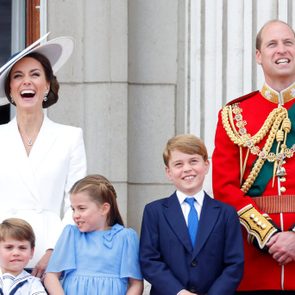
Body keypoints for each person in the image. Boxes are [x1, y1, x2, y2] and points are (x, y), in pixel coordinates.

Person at [212, 19, 295, 294]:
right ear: (259, 56)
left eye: (288, 43)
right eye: (272, 44)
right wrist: (269, 235)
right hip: (255, 259)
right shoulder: (234, 116)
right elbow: (225, 189)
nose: (281, 50)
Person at [0, 34, 87, 278]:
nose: (26, 82)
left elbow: (77, 203)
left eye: (35, 74)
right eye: (18, 76)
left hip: (48, 257)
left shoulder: (70, 137)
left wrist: (55, 250)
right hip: (3, 253)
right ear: (10, 89)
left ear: (47, 85)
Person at [140, 134, 244, 295]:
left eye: (193, 161)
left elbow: (234, 264)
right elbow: (149, 260)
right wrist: (179, 292)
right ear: (168, 172)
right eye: (178, 164)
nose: (187, 168)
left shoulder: (226, 213)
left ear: (207, 165)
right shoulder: (154, 212)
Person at [44, 174, 143, 295]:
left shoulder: (125, 237)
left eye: (81, 208)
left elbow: (136, 284)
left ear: (104, 209)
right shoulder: (71, 235)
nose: (75, 215)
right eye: (73, 209)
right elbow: (51, 276)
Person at [0, 218, 47, 294]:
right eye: (9, 247)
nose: (16, 253)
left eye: (22, 248)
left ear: (31, 252)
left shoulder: (33, 284)